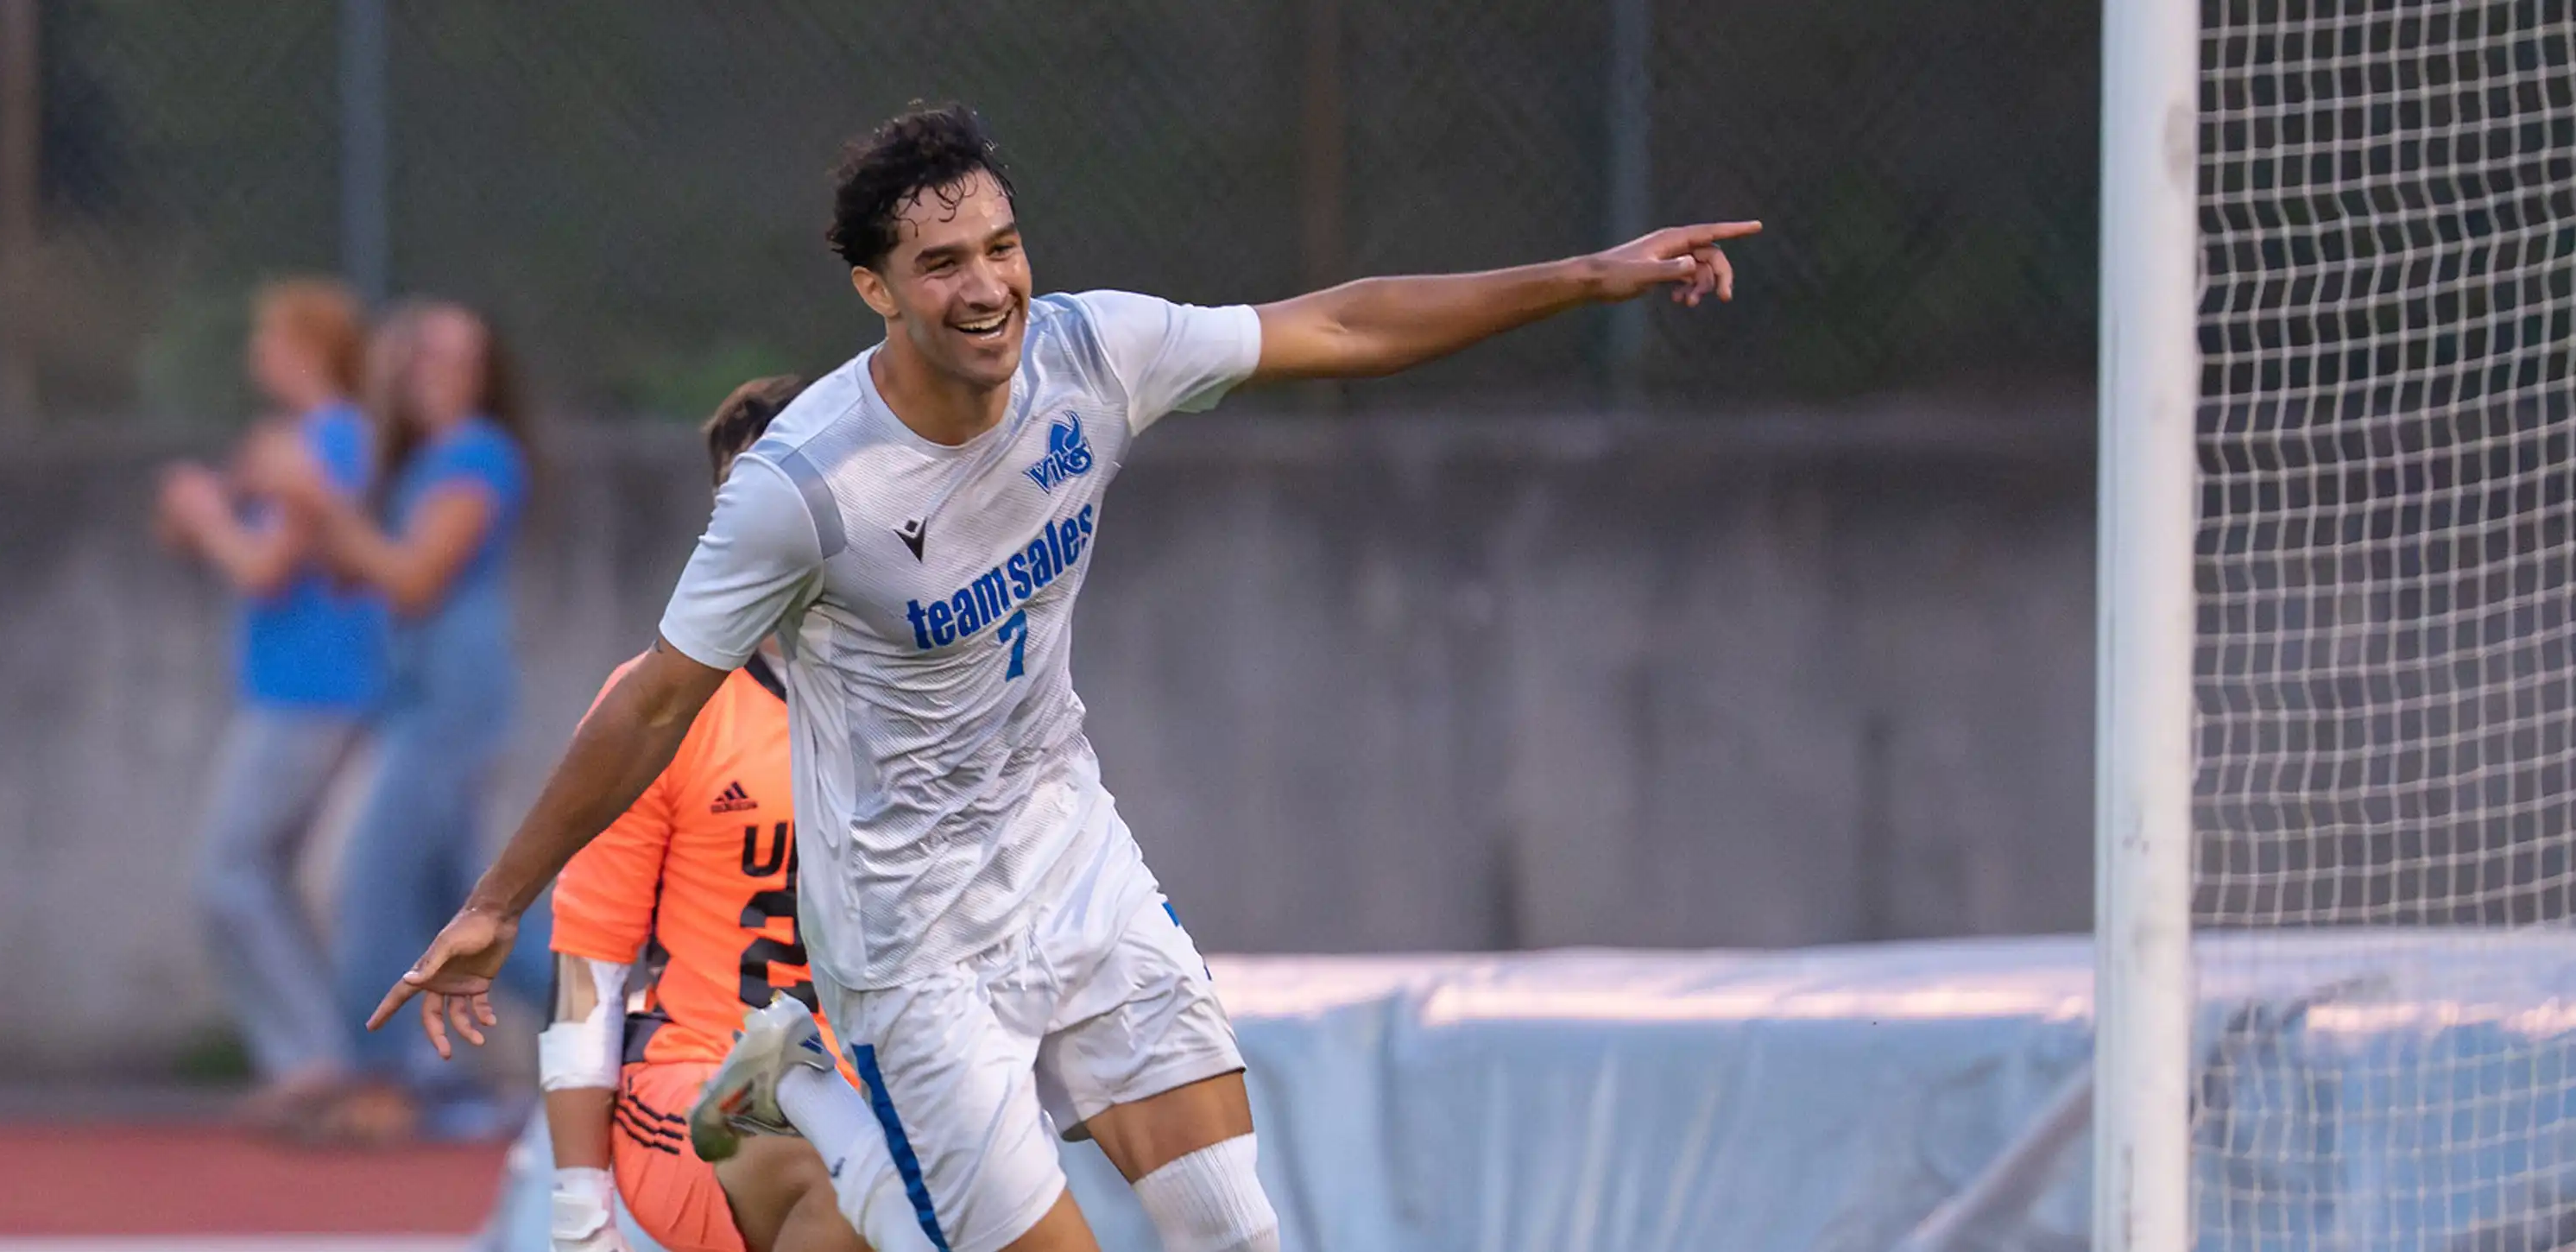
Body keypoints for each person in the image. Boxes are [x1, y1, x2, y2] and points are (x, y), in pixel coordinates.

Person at [379, 104, 1755, 1252]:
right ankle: (809, 1080)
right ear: (875, 289)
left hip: (1065, 852)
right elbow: (652, 699)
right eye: (939, 264)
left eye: (1002, 244)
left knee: (1233, 1225)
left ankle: (809, 1082)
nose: (986, 287)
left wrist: (1585, 274)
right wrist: (499, 901)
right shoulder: (805, 483)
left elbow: (1336, 327)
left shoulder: (1096, 350)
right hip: (907, 944)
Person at [474, 376, 932, 1252]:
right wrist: (578, 1209)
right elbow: (589, 967)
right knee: (849, 1185)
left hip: (881, 1083)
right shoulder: (664, 708)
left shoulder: (930, 693)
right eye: (744, 505)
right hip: (712, 1077)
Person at [249, 300, 552, 1145]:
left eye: (454, 358)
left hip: (452, 705)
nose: (431, 371)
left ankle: (381, 1075)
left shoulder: (480, 457)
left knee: (372, 885)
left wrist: (317, 498)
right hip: (418, 697)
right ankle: (619, 1019)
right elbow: (362, 571)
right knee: (465, 901)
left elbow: (414, 578)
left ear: (485, 377)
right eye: (421, 355)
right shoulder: (417, 463)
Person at [155, 278, 389, 1131]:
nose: (258, 352)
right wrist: (206, 512)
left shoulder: (330, 439)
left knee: (228, 872)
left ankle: (312, 1056)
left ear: (307, 349)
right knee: (260, 876)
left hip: (313, 691)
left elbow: (263, 566)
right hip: (298, 688)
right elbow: (206, 530)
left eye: (271, 337)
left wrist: (206, 512)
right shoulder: (299, 440)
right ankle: (315, 1054)